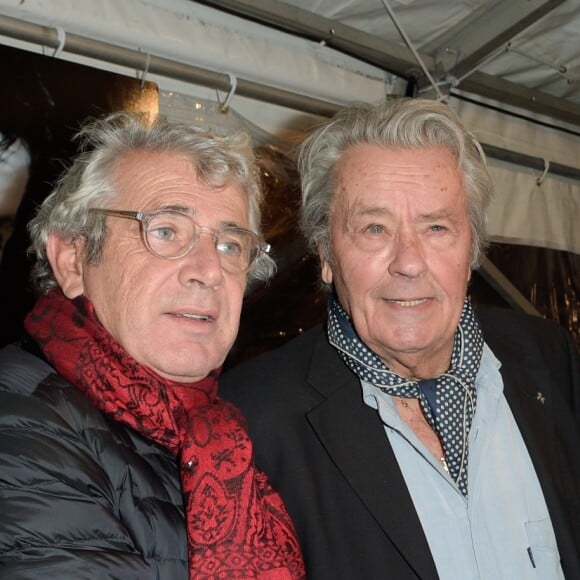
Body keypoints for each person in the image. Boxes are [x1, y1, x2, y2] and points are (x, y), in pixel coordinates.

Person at [221, 98, 580, 579]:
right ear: (326, 253)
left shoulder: (549, 358)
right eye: (375, 228)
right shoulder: (250, 422)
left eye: (436, 227)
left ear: (471, 245)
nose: (408, 262)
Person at [0, 112, 305, 579]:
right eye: (165, 231)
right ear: (73, 259)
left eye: (229, 245)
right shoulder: (18, 422)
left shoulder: (218, 433)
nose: (208, 270)